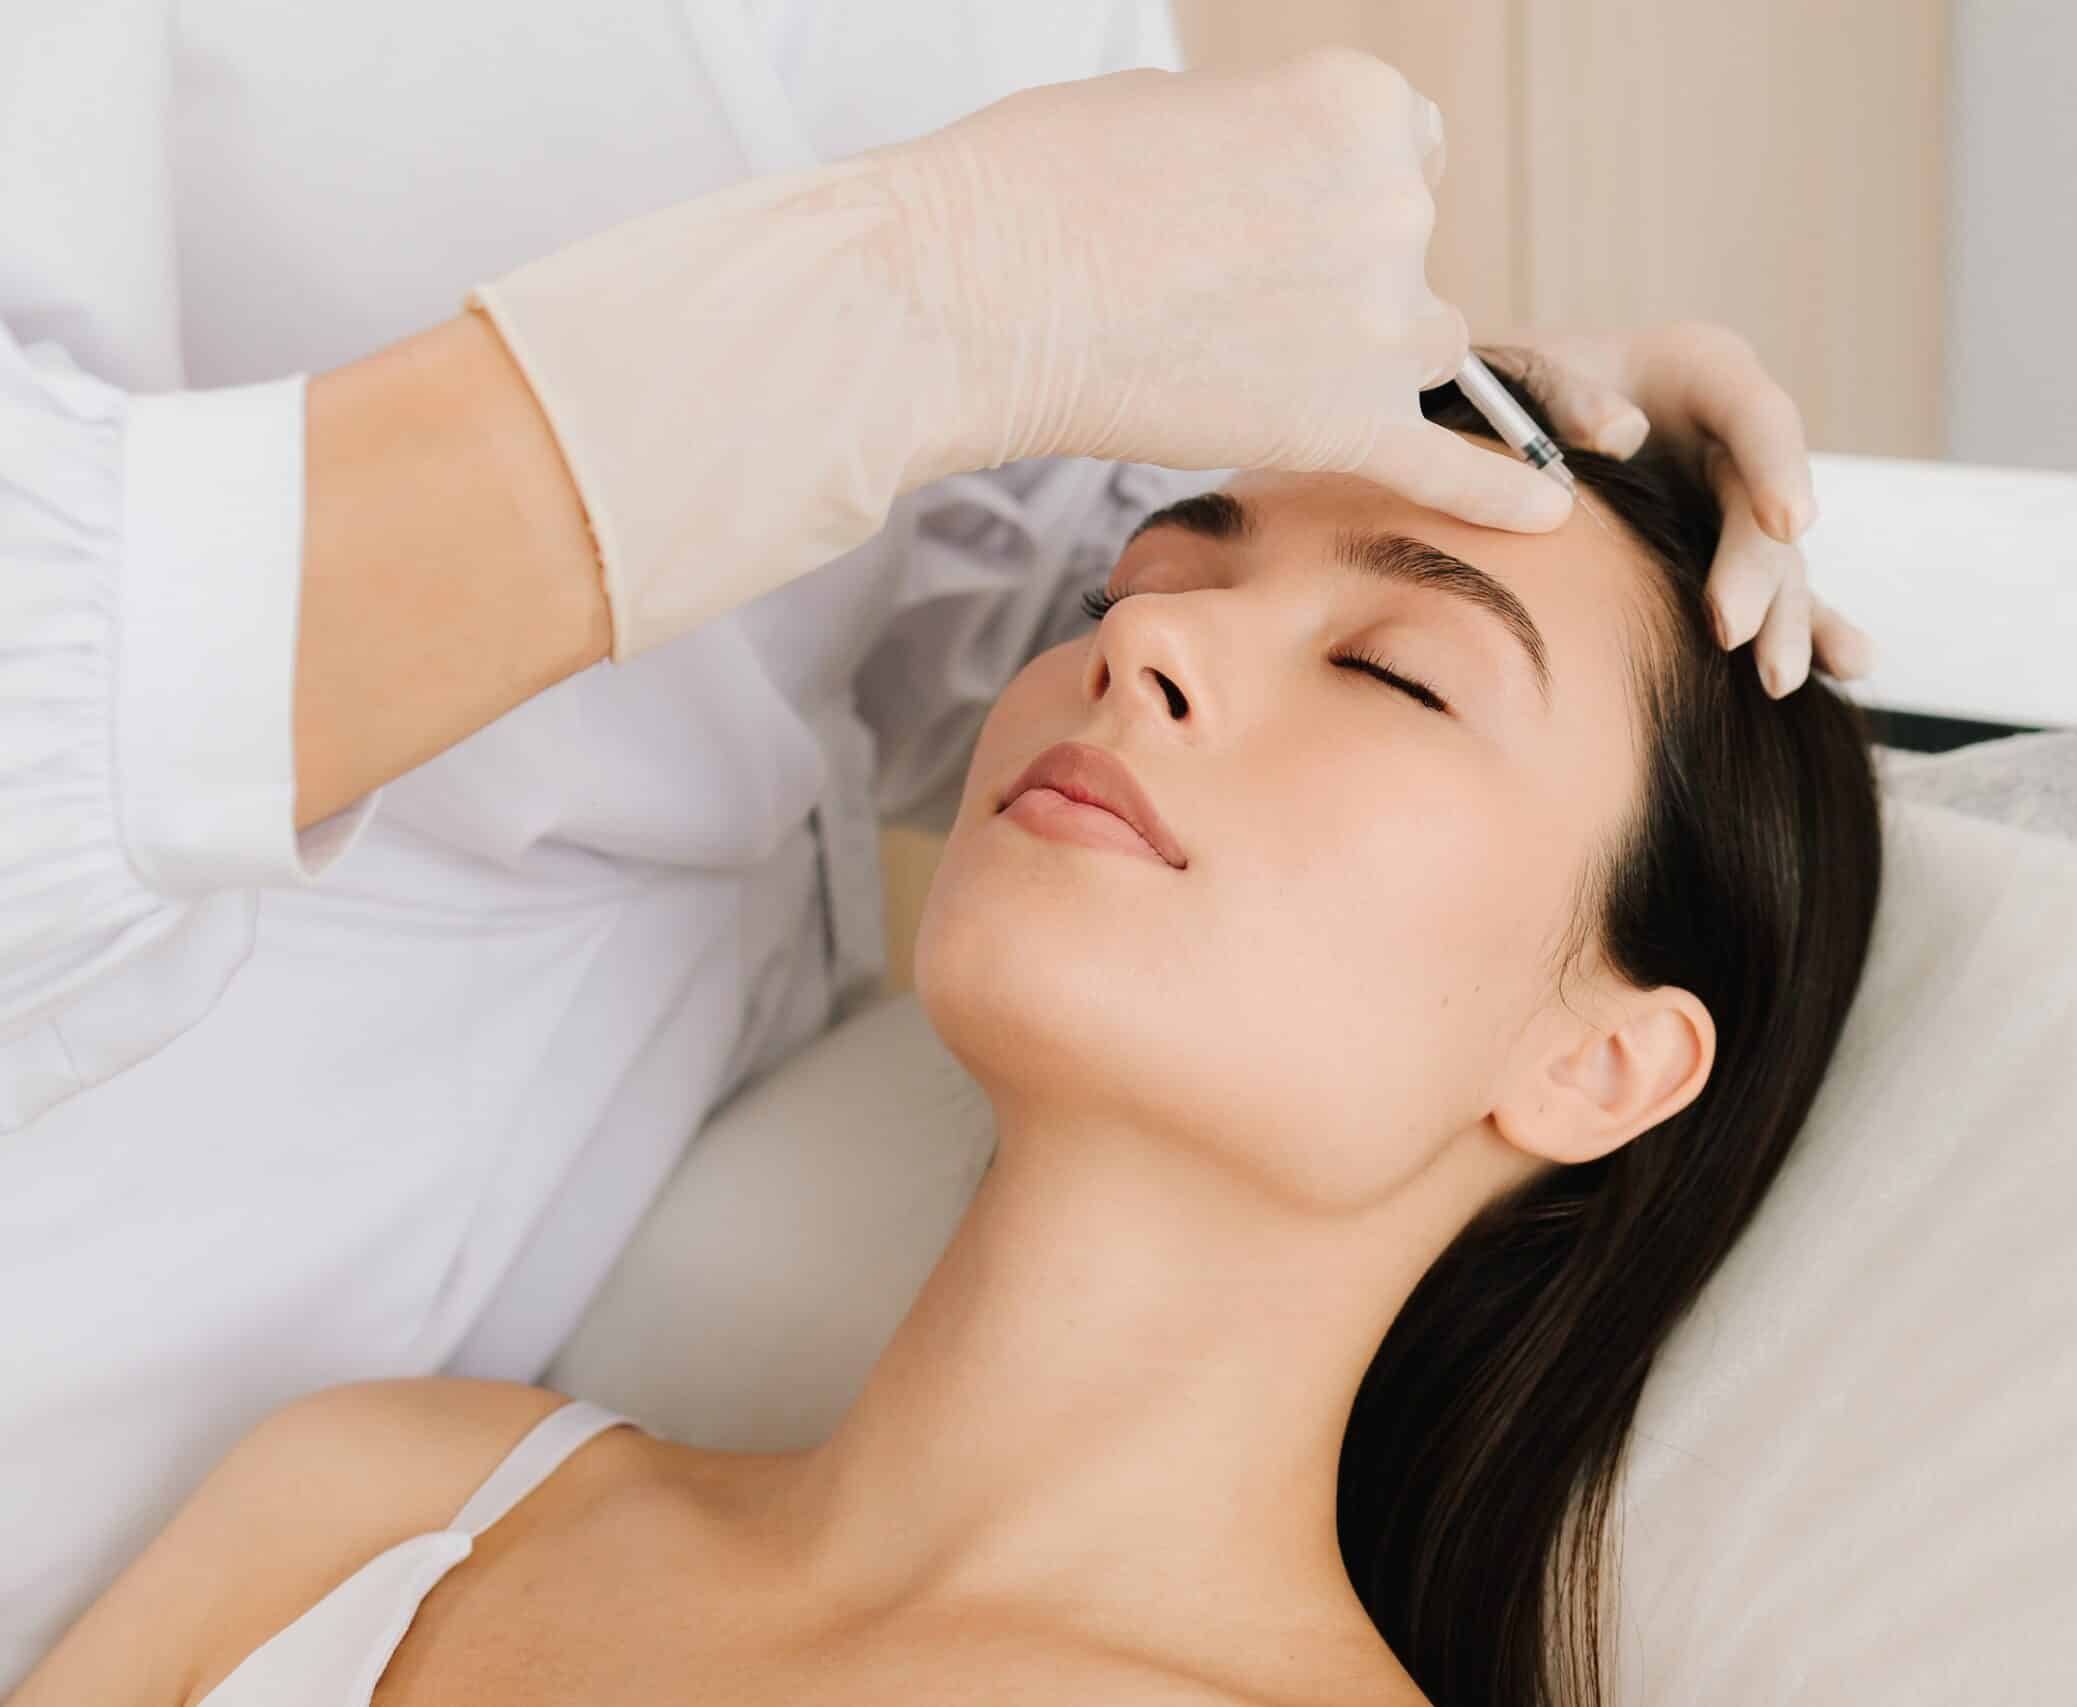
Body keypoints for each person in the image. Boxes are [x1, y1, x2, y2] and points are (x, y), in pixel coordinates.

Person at [0, 0, 1867, 1681]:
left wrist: (1305, 377)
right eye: (1152, 577)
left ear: (1606, 1061)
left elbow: (998, 478)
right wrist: (930, 301)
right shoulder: (375, 1501)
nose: (1140, 635)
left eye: (1392, 673)